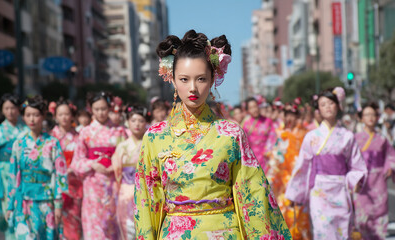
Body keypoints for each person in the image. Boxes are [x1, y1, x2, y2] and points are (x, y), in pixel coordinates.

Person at [134, 29, 290, 239]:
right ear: (172, 79)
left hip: (224, 232)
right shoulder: (155, 136)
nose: (193, 88)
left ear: (212, 78)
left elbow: (254, 194)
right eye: (184, 79)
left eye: (201, 79)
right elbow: (146, 200)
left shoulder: (231, 133)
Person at [285, 87, 367, 240]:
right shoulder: (311, 137)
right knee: (322, 232)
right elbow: (303, 166)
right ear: (318, 110)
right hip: (319, 190)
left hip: (340, 188)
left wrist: (354, 180)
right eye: (323, 105)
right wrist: (295, 194)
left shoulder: (347, 136)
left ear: (338, 105)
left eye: (331, 103)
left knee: (342, 231)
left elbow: (356, 165)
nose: (328, 107)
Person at [6, 95, 68, 240]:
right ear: (23, 117)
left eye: (36, 115)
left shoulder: (52, 143)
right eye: (28, 115)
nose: (32, 119)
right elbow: (13, 175)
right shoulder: (19, 143)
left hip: (46, 200)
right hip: (24, 200)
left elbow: (60, 175)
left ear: (43, 116)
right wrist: (10, 205)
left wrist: (58, 204)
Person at [71, 91, 126, 240]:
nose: (101, 112)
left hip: (114, 184)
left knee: (113, 226)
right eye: (97, 109)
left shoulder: (119, 131)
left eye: (104, 108)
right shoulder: (85, 132)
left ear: (109, 108)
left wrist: (115, 165)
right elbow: (77, 162)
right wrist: (93, 164)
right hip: (93, 185)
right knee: (94, 228)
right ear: (90, 109)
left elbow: (127, 157)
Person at [0, 94, 27, 239]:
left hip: (22, 174)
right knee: (6, 210)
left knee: (23, 209)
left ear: (19, 109)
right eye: (6, 108)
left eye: (13, 108)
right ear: (2, 110)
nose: (10, 111)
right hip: (3, 174)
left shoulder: (26, 131)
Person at [354, 102, 395, 239]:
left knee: (380, 214)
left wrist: (390, 168)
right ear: (361, 118)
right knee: (362, 217)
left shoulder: (382, 139)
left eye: (373, 114)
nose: (370, 117)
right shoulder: (355, 139)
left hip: (378, 180)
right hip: (361, 182)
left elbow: (392, 156)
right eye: (367, 114)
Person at [112, 104, 149, 240]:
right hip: (126, 192)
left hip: (146, 190)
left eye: (141, 120)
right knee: (127, 229)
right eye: (133, 121)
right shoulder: (122, 146)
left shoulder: (150, 143)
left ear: (146, 122)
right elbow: (117, 172)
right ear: (127, 122)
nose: (137, 124)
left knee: (145, 229)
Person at [49, 98, 82, 240]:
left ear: (72, 116)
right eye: (60, 114)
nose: (64, 117)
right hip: (54, 184)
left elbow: (82, 159)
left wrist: (72, 168)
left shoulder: (79, 137)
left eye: (67, 114)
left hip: (74, 185)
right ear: (55, 116)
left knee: (74, 223)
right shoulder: (50, 137)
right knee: (55, 224)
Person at [241, 97, 274, 173]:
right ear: (248, 110)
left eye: (255, 106)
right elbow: (244, 144)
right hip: (252, 160)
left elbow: (272, 138)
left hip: (266, 158)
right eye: (251, 108)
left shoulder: (268, 121)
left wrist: (267, 152)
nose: (254, 109)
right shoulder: (246, 124)